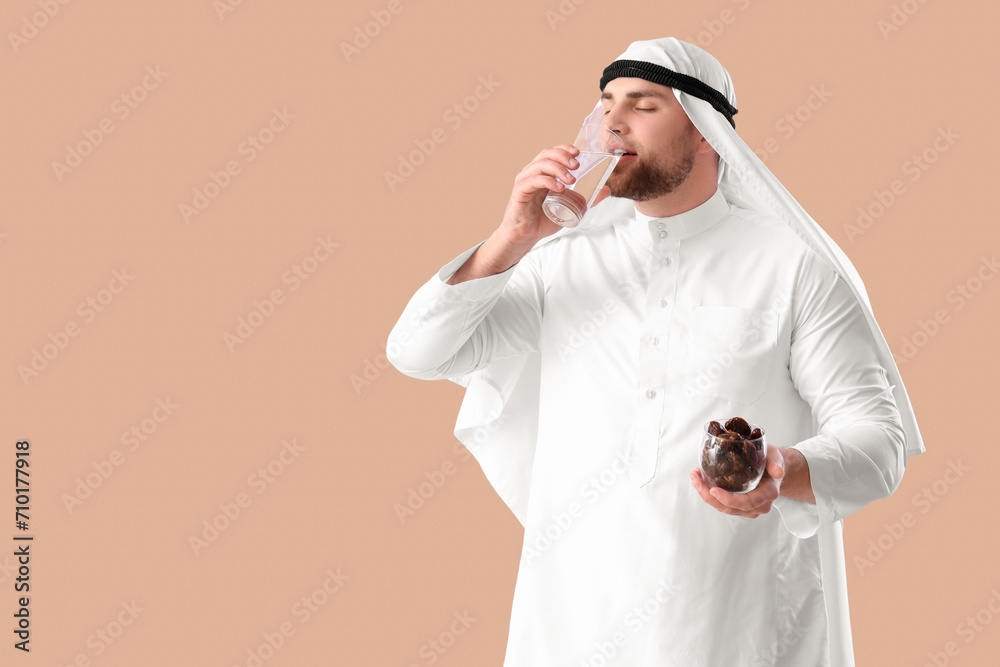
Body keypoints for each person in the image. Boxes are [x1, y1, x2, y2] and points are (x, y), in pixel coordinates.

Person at [386, 37, 924, 667]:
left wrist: (782, 472)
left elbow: (878, 442)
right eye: (606, 104)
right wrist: (510, 238)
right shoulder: (560, 261)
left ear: (704, 131)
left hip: (737, 627)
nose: (610, 124)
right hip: (569, 626)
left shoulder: (792, 266)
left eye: (642, 105)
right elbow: (417, 352)